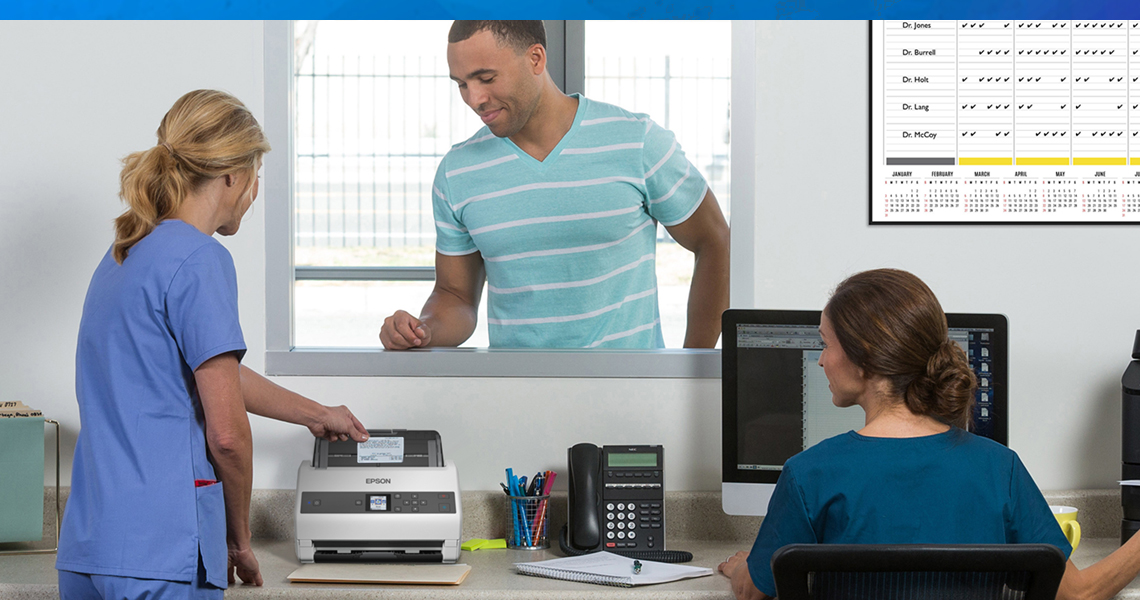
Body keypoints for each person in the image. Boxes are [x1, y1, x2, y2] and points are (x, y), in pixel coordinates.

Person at [55, 90, 370, 600]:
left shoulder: (122, 256)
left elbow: (203, 368)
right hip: (163, 553)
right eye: (256, 173)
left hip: (89, 550)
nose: (255, 189)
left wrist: (314, 413)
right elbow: (227, 436)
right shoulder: (202, 259)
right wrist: (237, 537)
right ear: (233, 175)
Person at [718, 268, 1140, 600]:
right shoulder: (999, 468)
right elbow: (1079, 594)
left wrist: (741, 568)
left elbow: (754, 591)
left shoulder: (808, 475)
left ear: (863, 360)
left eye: (826, 345)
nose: (821, 361)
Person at [380, 20, 730, 350]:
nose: (474, 99)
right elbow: (455, 296)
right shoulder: (457, 172)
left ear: (535, 58)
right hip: (517, 396)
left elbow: (715, 240)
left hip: (629, 395)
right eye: (461, 84)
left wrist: (691, 366)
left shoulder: (636, 141)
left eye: (485, 78)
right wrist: (422, 330)